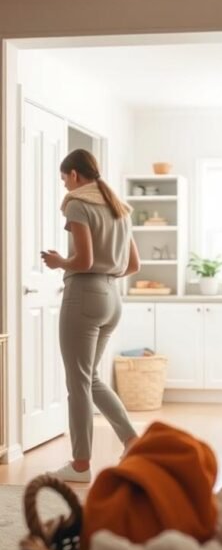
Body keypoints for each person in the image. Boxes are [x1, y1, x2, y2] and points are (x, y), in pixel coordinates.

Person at [41, 149, 141, 482]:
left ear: (74, 175)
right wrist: (106, 274)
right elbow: (134, 265)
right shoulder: (118, 206)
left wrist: (59, 262)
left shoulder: (77, 203)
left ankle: (80, 464)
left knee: (78, 383)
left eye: (63, 179)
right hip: (112, 297)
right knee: (91, 378)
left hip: (84, 295)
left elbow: (82, 261)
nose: (64, 186)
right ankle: (132, 440)